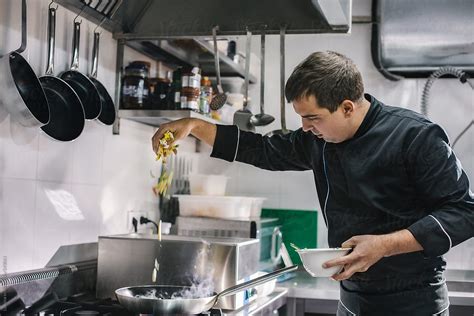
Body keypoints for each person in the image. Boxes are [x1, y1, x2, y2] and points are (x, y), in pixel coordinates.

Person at [152, 51, 474, 315]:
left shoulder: (415, 136)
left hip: (413, 304)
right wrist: (195, 125)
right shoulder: (317, 140)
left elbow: (464, 212)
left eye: (313, 117)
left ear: (347, 106)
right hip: (351, 300)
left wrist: (384, 245)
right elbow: (262, 149)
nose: (304, 128)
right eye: (302, 118)